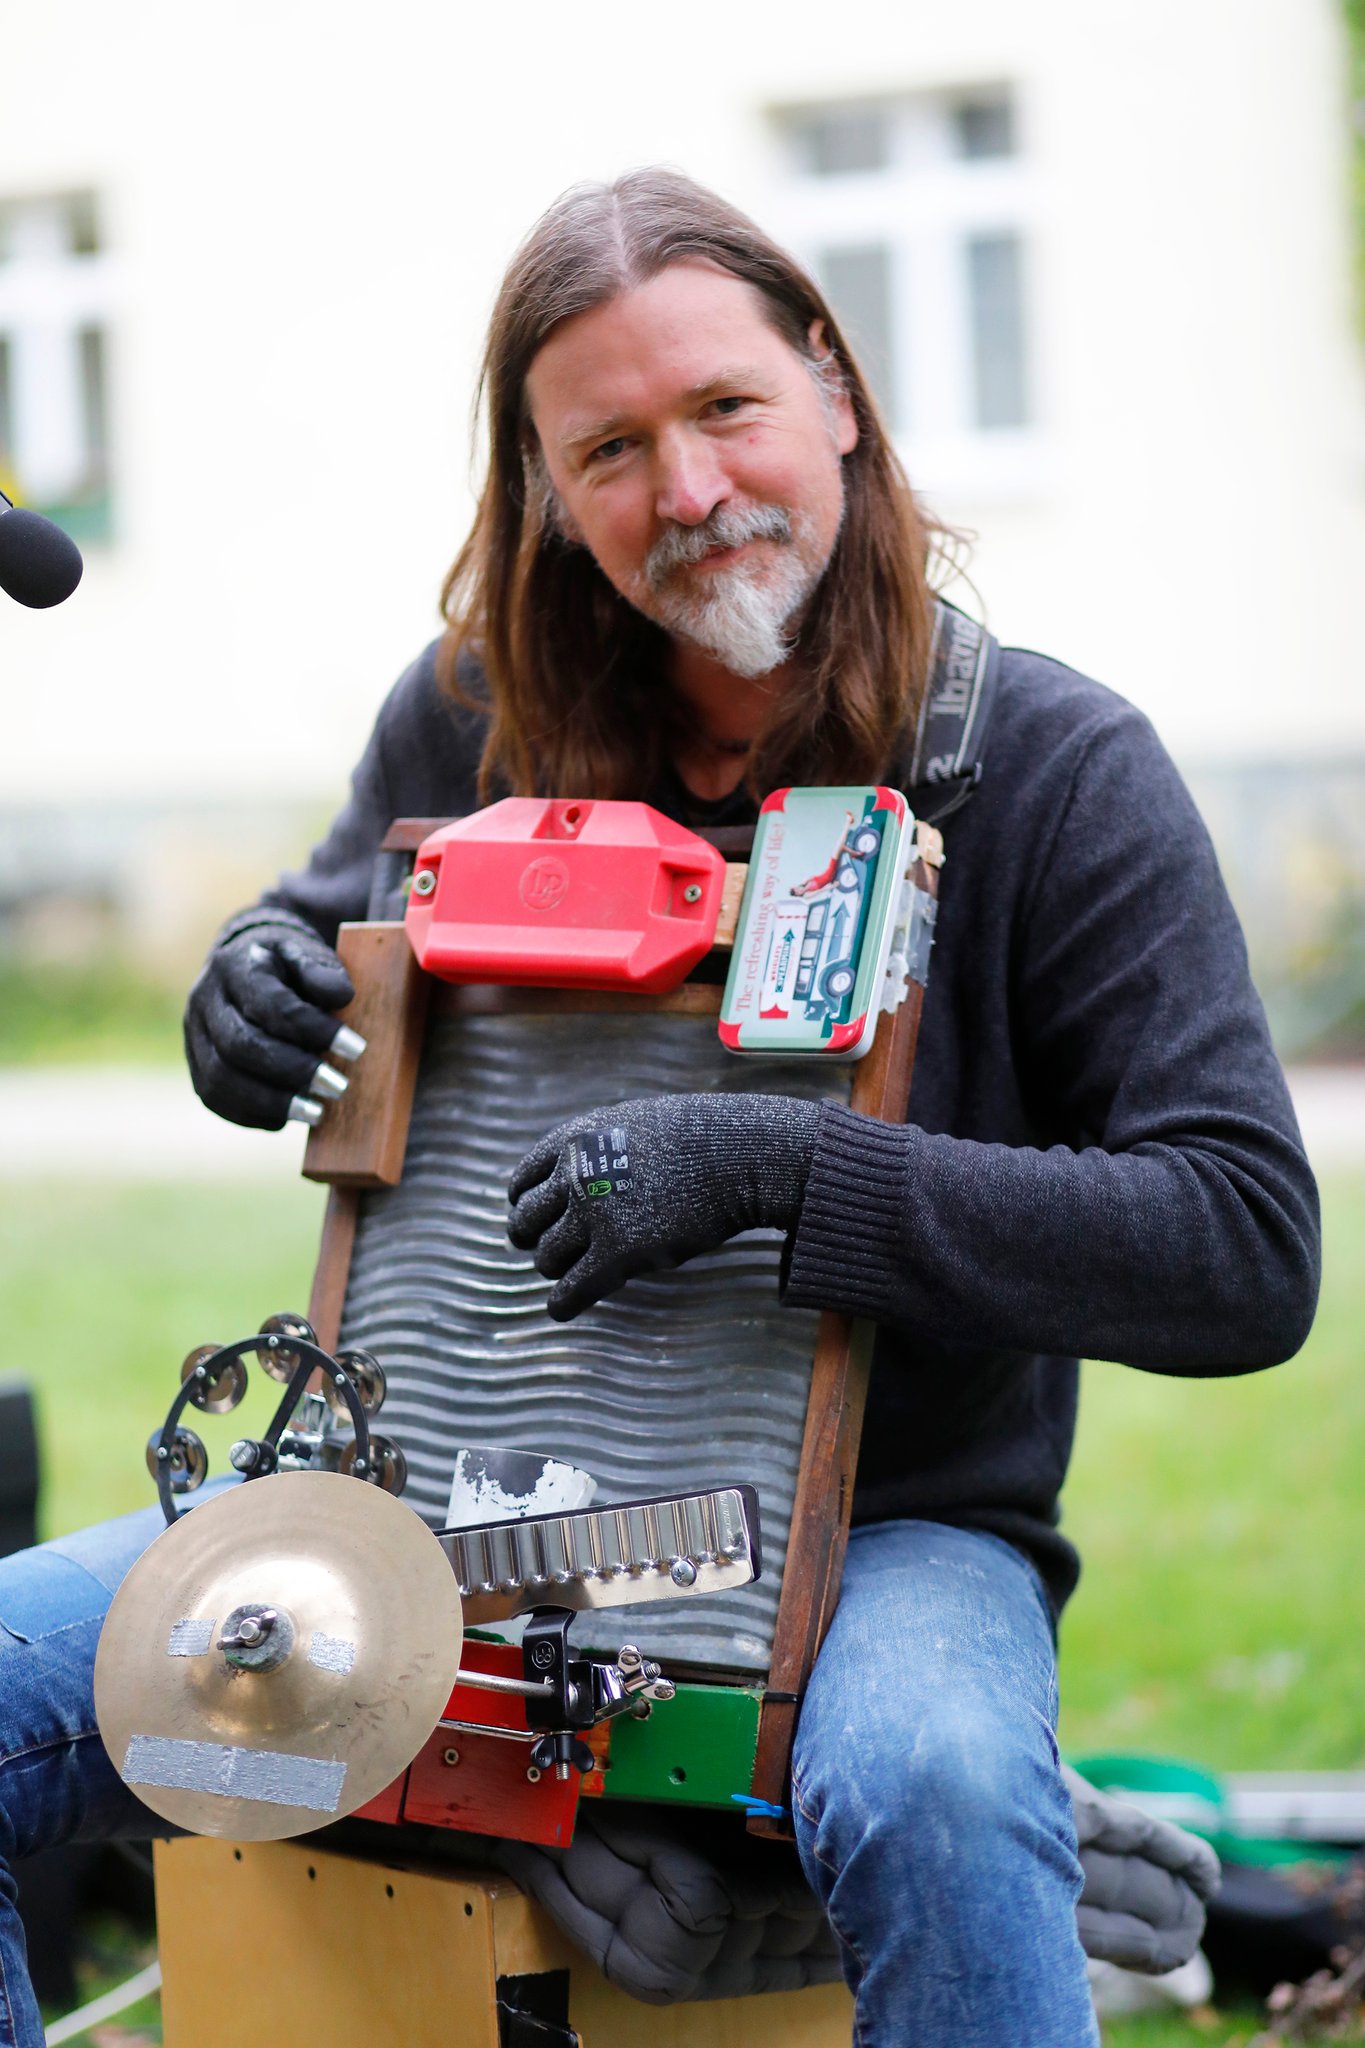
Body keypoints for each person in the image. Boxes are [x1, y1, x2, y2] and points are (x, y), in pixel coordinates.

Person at [0, 171, 1318, 2048]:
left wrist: (787, 1171)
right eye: (608, 447)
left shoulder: (1041, 766)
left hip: (887, 1536)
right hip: (413, 1514)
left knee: (934, 1791)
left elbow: (1241, 1250)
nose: (686, 491)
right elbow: (316, 942)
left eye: (725, 411)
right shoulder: (468, 718)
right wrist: (252, 988)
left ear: (837, 396)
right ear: (542, 487)